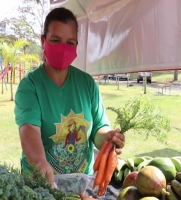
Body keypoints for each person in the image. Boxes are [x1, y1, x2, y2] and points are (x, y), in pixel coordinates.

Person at [14, 7, 125, 188]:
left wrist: (109, 138)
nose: (63, 48)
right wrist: (39, 162)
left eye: (70, 43)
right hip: (41, 184)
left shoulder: (87, 83)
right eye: (55, 40)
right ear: (43, 41)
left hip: (81, 184)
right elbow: (29, 130)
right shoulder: (30, 86)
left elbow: (98, 127)